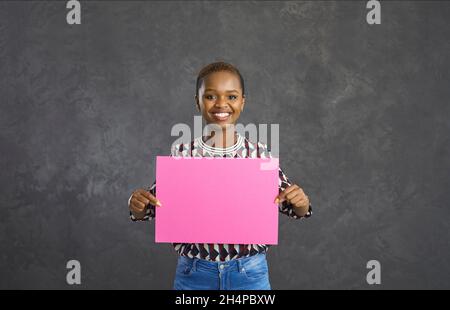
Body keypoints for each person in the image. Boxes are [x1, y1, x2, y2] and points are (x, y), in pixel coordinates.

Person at [128, 61, 312, 290]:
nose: (221, 104)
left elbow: (292, 208)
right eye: (210, 96)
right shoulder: (183, 153)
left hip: (248, 272)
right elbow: (155, 206)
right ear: (198, 101)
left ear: (243, 102)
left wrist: (301, 202)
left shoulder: (259, 154)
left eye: (232, 97)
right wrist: (137, 205)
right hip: (194, 272)